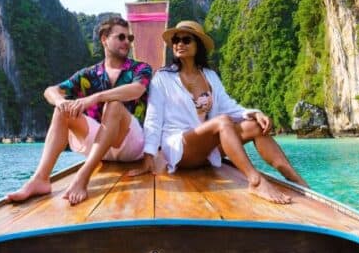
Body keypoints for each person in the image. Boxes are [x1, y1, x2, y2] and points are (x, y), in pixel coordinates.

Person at [130, 20, 307, 203]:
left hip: (208, 148)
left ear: (198, 45)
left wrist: (255, 112)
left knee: (256, 126)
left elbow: (228, 105)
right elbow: (153, 118)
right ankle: (255, 180)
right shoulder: (163, 78)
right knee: (222, 122)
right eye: (175, 40)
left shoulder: (210, 76)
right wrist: (148, 155)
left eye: (186, 40)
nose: (179, 44)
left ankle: (298, 182)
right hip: (181, 148)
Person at [6, 16, 152, 206]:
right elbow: (50, 90)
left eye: (129, 39)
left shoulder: (140, 68)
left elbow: (137, 89)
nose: (126, 42)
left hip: (130, 143)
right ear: (104, 39)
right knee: (63, 110)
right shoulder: (89, 74)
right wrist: (60, 101)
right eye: (121, 37)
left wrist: (95, 97)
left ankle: (83, 177)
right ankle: (40, 179)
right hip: (99, 144)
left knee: (114, 104)